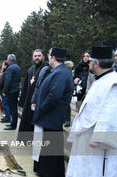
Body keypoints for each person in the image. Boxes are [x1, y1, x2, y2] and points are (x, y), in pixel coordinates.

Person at [66, 46, 117, 177]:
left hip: (98, 151)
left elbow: (111, 117)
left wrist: (99, 140)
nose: (88, 64)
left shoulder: (114, 84)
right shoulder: (101, 80)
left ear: (97, 63)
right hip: (86, 145)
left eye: (90, 61)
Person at [31, 47, 73, 177]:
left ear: (53, 58)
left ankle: (50, 173)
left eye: (49, 55)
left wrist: (42, 108)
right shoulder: (58, 71)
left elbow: (54, 95)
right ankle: (48, 171)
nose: (48, 58)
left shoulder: (60, 73)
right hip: (50, 117)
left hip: (51, 116)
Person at [17, 49, 46, 141]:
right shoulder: (30, 69)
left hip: (39, 99)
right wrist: (22, 102)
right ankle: (26, 140)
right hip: (29, 99)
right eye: (35, 56)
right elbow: (25, 86)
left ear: (43, 57)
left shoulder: (46, 68)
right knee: (27, 119)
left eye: (39, 56)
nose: (37, 58)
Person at [2, 54, 21, 130]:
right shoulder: (18, 67)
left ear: (9, 60)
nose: (7, 61)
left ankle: (13, 125)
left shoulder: (10, 68)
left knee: (12, 108)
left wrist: (4, 91)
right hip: (16, 89)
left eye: (7, 59)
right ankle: (13, 123)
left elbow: (8, 81)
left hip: (11, 91)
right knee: (14, 108)